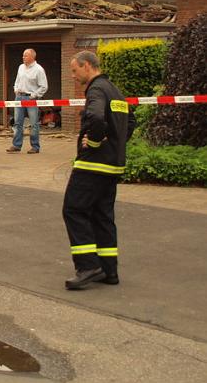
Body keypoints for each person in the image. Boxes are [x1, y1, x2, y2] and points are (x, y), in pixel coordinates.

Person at [62, 51, 136, 290]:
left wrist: (94, 143)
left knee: (73, 209)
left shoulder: (95, 90)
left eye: (75, 70)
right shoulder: (115, 90)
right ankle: (109, 270)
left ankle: (87, 266)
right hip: (113, 165)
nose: (73, 76)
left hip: (92, 165)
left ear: (86, 66)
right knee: (102, 215)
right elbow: (131, 123)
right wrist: (114, 144)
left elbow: (94, 118)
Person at [7, 48, 48, 154]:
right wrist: (15, 89)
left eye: (25, 55)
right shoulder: (20, 67)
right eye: (23, 55)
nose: (23, 57)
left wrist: (34, 95)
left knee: (34, 123)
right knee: (17, 122)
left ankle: (35, 146)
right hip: (19, 97)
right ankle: (16, 145)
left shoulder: (39, 69)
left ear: (32, 57)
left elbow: (44, 86)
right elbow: (17, 80)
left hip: (31, 98)